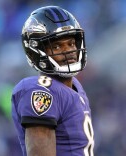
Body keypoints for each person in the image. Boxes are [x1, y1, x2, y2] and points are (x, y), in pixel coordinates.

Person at [11, 6, 94, 156]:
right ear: (36, 51)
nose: (69, 51)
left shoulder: (75, 86)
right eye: (56, 46)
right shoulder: (40, 89)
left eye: (71, 43)